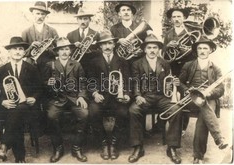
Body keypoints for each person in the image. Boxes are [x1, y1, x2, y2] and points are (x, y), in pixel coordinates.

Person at [128, 34, 182, 164]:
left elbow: (168, 83)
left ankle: (172, 147)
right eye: (149, 47)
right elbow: (135, 82)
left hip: (162, 97)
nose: (152, 50)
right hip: (145, 97)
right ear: (145, 49)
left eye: (155, 47)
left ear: (158, 49)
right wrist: (138, 96)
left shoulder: (165, 63)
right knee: (133, 110)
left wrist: (173, 86)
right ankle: (138, 147)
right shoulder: (137, 63)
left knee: (176, 110)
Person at [0, 37, 42, 163]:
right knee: (16, 115)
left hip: (28, 107)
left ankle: (4, 145)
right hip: (7, 108)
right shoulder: (1, 70)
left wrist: (34, 98)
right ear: (9, 52)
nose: (17, 52)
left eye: (21, 49)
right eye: (14, 49)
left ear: (24, 52)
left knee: (20, 109)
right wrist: (2, 101)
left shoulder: (32, 68)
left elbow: (41, 89)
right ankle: (20, 158)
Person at [178, 37, 228, 164]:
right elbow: (180, 83)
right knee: (204, 107)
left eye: (205, 48)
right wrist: (187, 91)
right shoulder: (188, 65)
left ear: (210, 50)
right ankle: (219, 138)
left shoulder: (216, 68)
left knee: (203, 117)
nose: (202, 50)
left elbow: (221, 89)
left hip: (208, 99)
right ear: (196, 50)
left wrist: (209, 93)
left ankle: (198, 156)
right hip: (190, 98)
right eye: (199, 48)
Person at [43, 37, 88, 162]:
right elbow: (43, 83)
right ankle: (58, 148)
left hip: (74, 99)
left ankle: (76, 148)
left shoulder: (77, 64)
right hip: (57, 100)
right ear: (57, 52)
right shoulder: (50, 65)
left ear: (70, 51)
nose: (64, 52)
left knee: (84, 114)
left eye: (66, 49)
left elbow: (83, 83)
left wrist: (81, 96)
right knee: (51, 116)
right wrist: (48, 83)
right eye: (61, 49)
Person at [87, 30, 130, 160]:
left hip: (117, 98)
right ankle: (104, 142)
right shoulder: (93, 61)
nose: (107, 46)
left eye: (110, 43)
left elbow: (128, 80)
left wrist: (127, 94)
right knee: (93, 112)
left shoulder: (122, 61)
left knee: (124, 113)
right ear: (100, 46)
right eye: (104, 44)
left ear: (114, 45)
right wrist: (94, 93)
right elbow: (90, 80)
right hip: (101, 97)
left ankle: (114, 143)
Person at [22, 1, 59, 72]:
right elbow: (22, 53)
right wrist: (31, 47)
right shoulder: (25, 32)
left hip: (49, 67)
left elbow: (58, 51)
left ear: (45, 15)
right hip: (31, 67)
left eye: (42, 14)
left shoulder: (52, 31)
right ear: (32, 14)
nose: (40, 16)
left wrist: (48, 49)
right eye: (37, 13)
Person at [67, 6, 100, 77]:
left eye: (85, 19)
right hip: (75, 67)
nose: (82, 21)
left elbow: (100, 51)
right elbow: (67, 51)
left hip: (92, 67)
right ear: (77, 20)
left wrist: (89, 51)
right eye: (80, 19)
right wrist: (74, 45)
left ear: (90, 20)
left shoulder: (96, 34)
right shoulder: (70, 35)